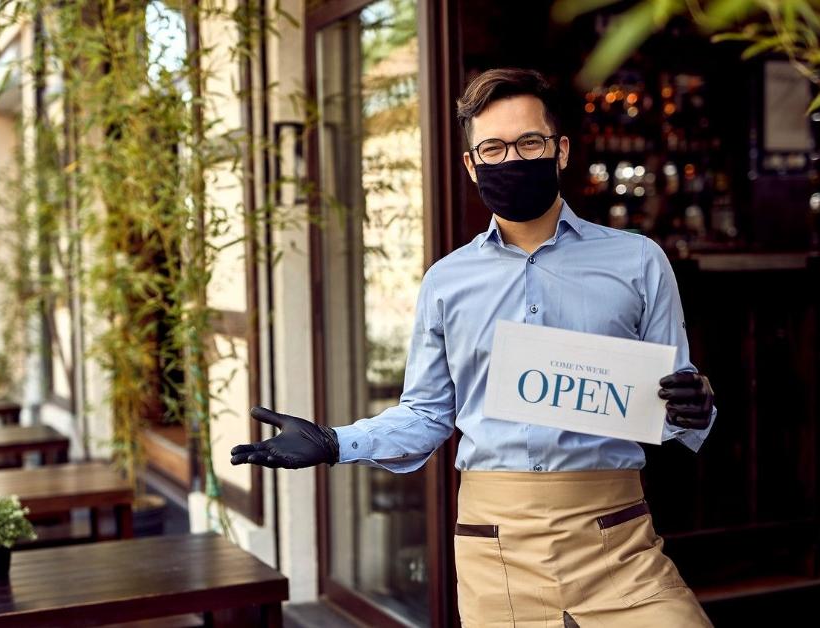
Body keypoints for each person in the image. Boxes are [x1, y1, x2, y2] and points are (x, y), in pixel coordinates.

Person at [231, 67, 716, 627]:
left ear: (559, 150)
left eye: (529, 142)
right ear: (471, 163)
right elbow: (428, 414)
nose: (511, 159)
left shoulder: (639, 261)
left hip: (615, 534)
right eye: (493, 148)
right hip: (496, 545)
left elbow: (671, 399)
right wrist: (335, 442)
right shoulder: (446, 281)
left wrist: (695, 407)